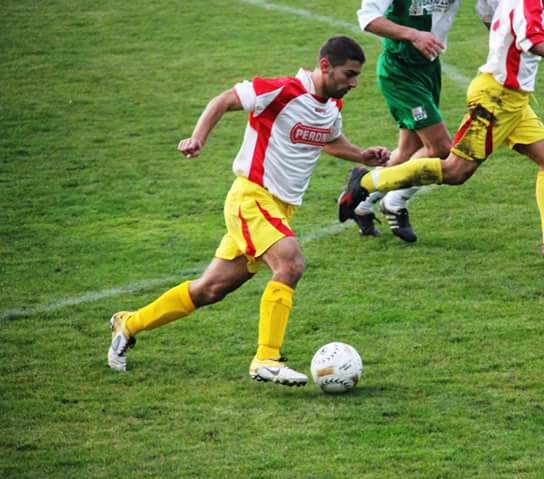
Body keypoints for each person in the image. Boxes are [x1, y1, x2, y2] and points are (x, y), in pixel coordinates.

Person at [108, 36, 390, 386]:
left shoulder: (331, 107)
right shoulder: (280, 91)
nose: (354, 83)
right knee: (290, 263)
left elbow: (329, 140)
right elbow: (224, 100)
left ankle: (129, 323)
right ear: (324, 66)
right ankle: (266, 358)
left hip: (280, 209)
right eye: (349, 74)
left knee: (210, 290)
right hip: (252, 198)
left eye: (357, 76)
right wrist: (198, 138)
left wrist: (361, 155)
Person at [339, 0, 544, 264]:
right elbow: (533, 40)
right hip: (494, 98)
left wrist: (501, 43)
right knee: (454, 169)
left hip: (513, 99)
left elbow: (491, 15)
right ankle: (366, 185)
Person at [344, 0, 460, 242]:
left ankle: (362, 201)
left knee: (409, 150)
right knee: (440, 149)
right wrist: (413, 34)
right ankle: (395, 202)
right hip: (401, 72)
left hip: (428, 67)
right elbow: (368, 18)